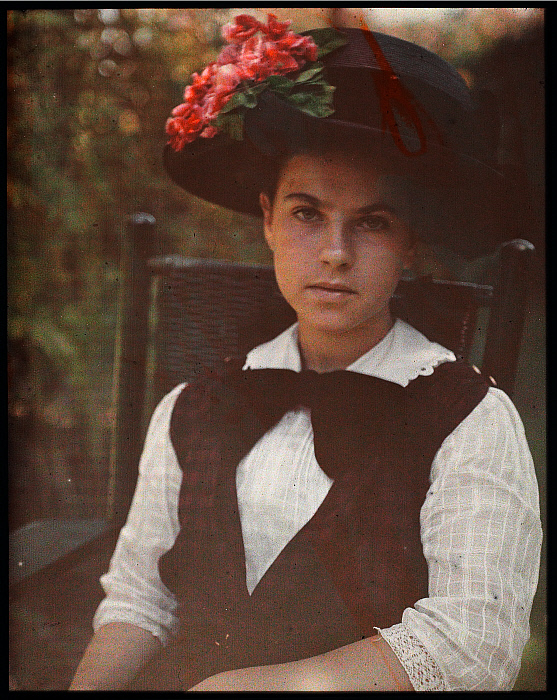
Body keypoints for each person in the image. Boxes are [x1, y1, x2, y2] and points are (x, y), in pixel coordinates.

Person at [69, 14, 542, 692]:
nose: (334, 253)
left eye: (372, 223)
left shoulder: (469, 419)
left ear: (409, 243)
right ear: (266, 218)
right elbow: (143, 600)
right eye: (305, 212)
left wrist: (246, 687)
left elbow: (473, 646)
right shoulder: (191, 407)